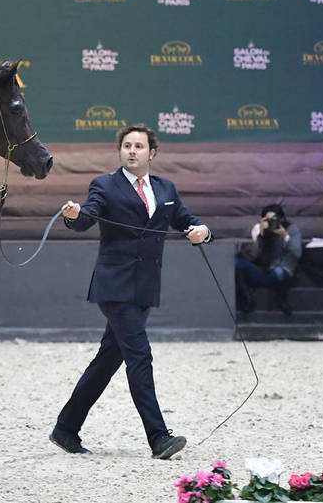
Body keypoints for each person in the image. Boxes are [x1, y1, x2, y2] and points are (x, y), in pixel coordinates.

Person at [51, 124, 210, 460]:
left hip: (145, 287)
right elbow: (86, 216)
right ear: (120, 151)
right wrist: (74, 216)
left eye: (139, 146)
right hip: (115, 287)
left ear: (152, 152)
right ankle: (158, 437)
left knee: (107, 360)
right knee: (140, 356)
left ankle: (66, 428)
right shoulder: (104, 185)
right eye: (127, 146)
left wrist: (201, 232)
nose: (132, 151)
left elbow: (186, 221)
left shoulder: (166, 188)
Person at [235, 204, 302, 316]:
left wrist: (285, 235)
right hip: (263, 271)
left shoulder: (292, 229)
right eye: (268, 220)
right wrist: (261, 235)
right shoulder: (263, 232)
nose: (271, 222)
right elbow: (255, 255)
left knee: (279, 272)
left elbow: (297, 253)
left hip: (282, 271)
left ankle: (281, 300)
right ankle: (248, 299)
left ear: (282, 219)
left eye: (274, 219)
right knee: (237, 264)